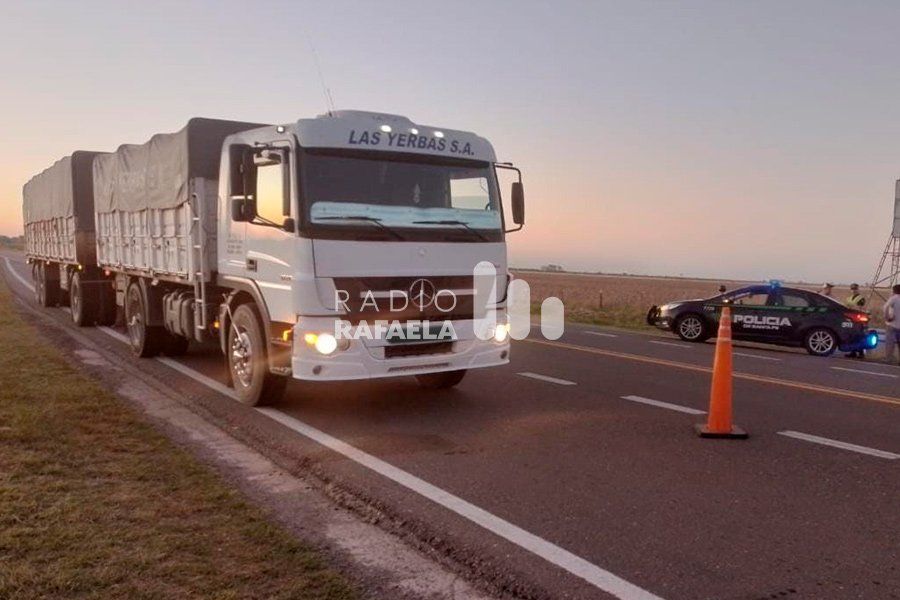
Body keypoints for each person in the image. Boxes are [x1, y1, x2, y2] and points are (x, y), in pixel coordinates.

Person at [844, 284, 867, 358]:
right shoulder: (848, 298)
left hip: (859, 319)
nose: (854, 290)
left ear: (858, 289)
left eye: (855, 289)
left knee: (859, 336)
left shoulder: (861, 298)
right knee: (851, 336)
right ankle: (853, 352)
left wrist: (851, 308)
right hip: (851, 319)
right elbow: (846, 307)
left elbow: (860, 308)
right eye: (852, 289)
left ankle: (861, 353)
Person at [884, 284, 900, 366]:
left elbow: (886, 307)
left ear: (894, 291)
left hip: (892, 325)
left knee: (890, 343)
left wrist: (887, 318)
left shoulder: (894, 298)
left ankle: (889, 358)